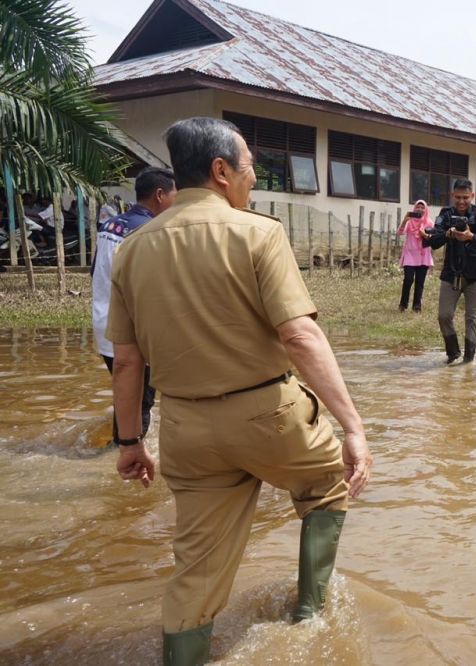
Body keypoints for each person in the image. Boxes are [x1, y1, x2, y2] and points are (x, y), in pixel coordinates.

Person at [105, 117, 372, 664]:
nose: (254, 178)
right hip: (268, 414)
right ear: (222, 171)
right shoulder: (257, 231)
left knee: (196, 567)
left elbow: (127, 363)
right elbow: (298, 334)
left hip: (184, 428)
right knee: (326, 484)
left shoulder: (132, 249)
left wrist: (131, 442)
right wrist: (353, 427)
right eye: (250, 167)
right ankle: (309, 619)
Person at [92, 167, 176, 443]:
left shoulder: (109, 225)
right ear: (160, 195)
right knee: (140, 403)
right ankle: (125, 458)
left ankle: (120, 442)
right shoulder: (148, 231)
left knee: (126, 395)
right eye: (175, 194)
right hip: (134, 332)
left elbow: (97, 272)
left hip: (103, 325)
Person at [423, 178, 476, 363]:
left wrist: (470, 236)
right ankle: (453, 353)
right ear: (452, 195)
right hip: (451, 273)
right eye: (458, 197)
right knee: (444, 315)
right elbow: (434, 240)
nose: (461, 202)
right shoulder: (445, 214)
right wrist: (447, 233)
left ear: (472, 196)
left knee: (473, 318)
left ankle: (469, 359)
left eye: (465, 198)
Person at [397, 199, 434, 312]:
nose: (420, 209)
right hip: (410, 255)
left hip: (423, 256)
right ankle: (403, 304)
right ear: (414, 208)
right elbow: (399, 233)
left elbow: (434, 239)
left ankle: (417, 306)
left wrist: (425, 235)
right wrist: (404, 220)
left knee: (420, 281)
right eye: (418, 207)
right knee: (408, 280)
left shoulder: (429, 223)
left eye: (422, 207)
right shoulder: (409, 222)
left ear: (426, 210)